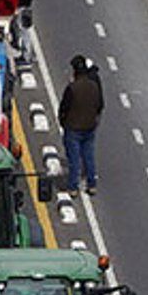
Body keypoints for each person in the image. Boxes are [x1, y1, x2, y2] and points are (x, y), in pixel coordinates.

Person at [58, 55, 103, 194]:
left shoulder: (72, 88)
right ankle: (91, 184)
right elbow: (100, 105)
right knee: (88, 156)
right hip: (89, 127)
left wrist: (63, 121)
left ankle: (73, 187)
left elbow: (64, 107)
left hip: (73, 128)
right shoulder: (94, 86)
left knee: (74, 159)